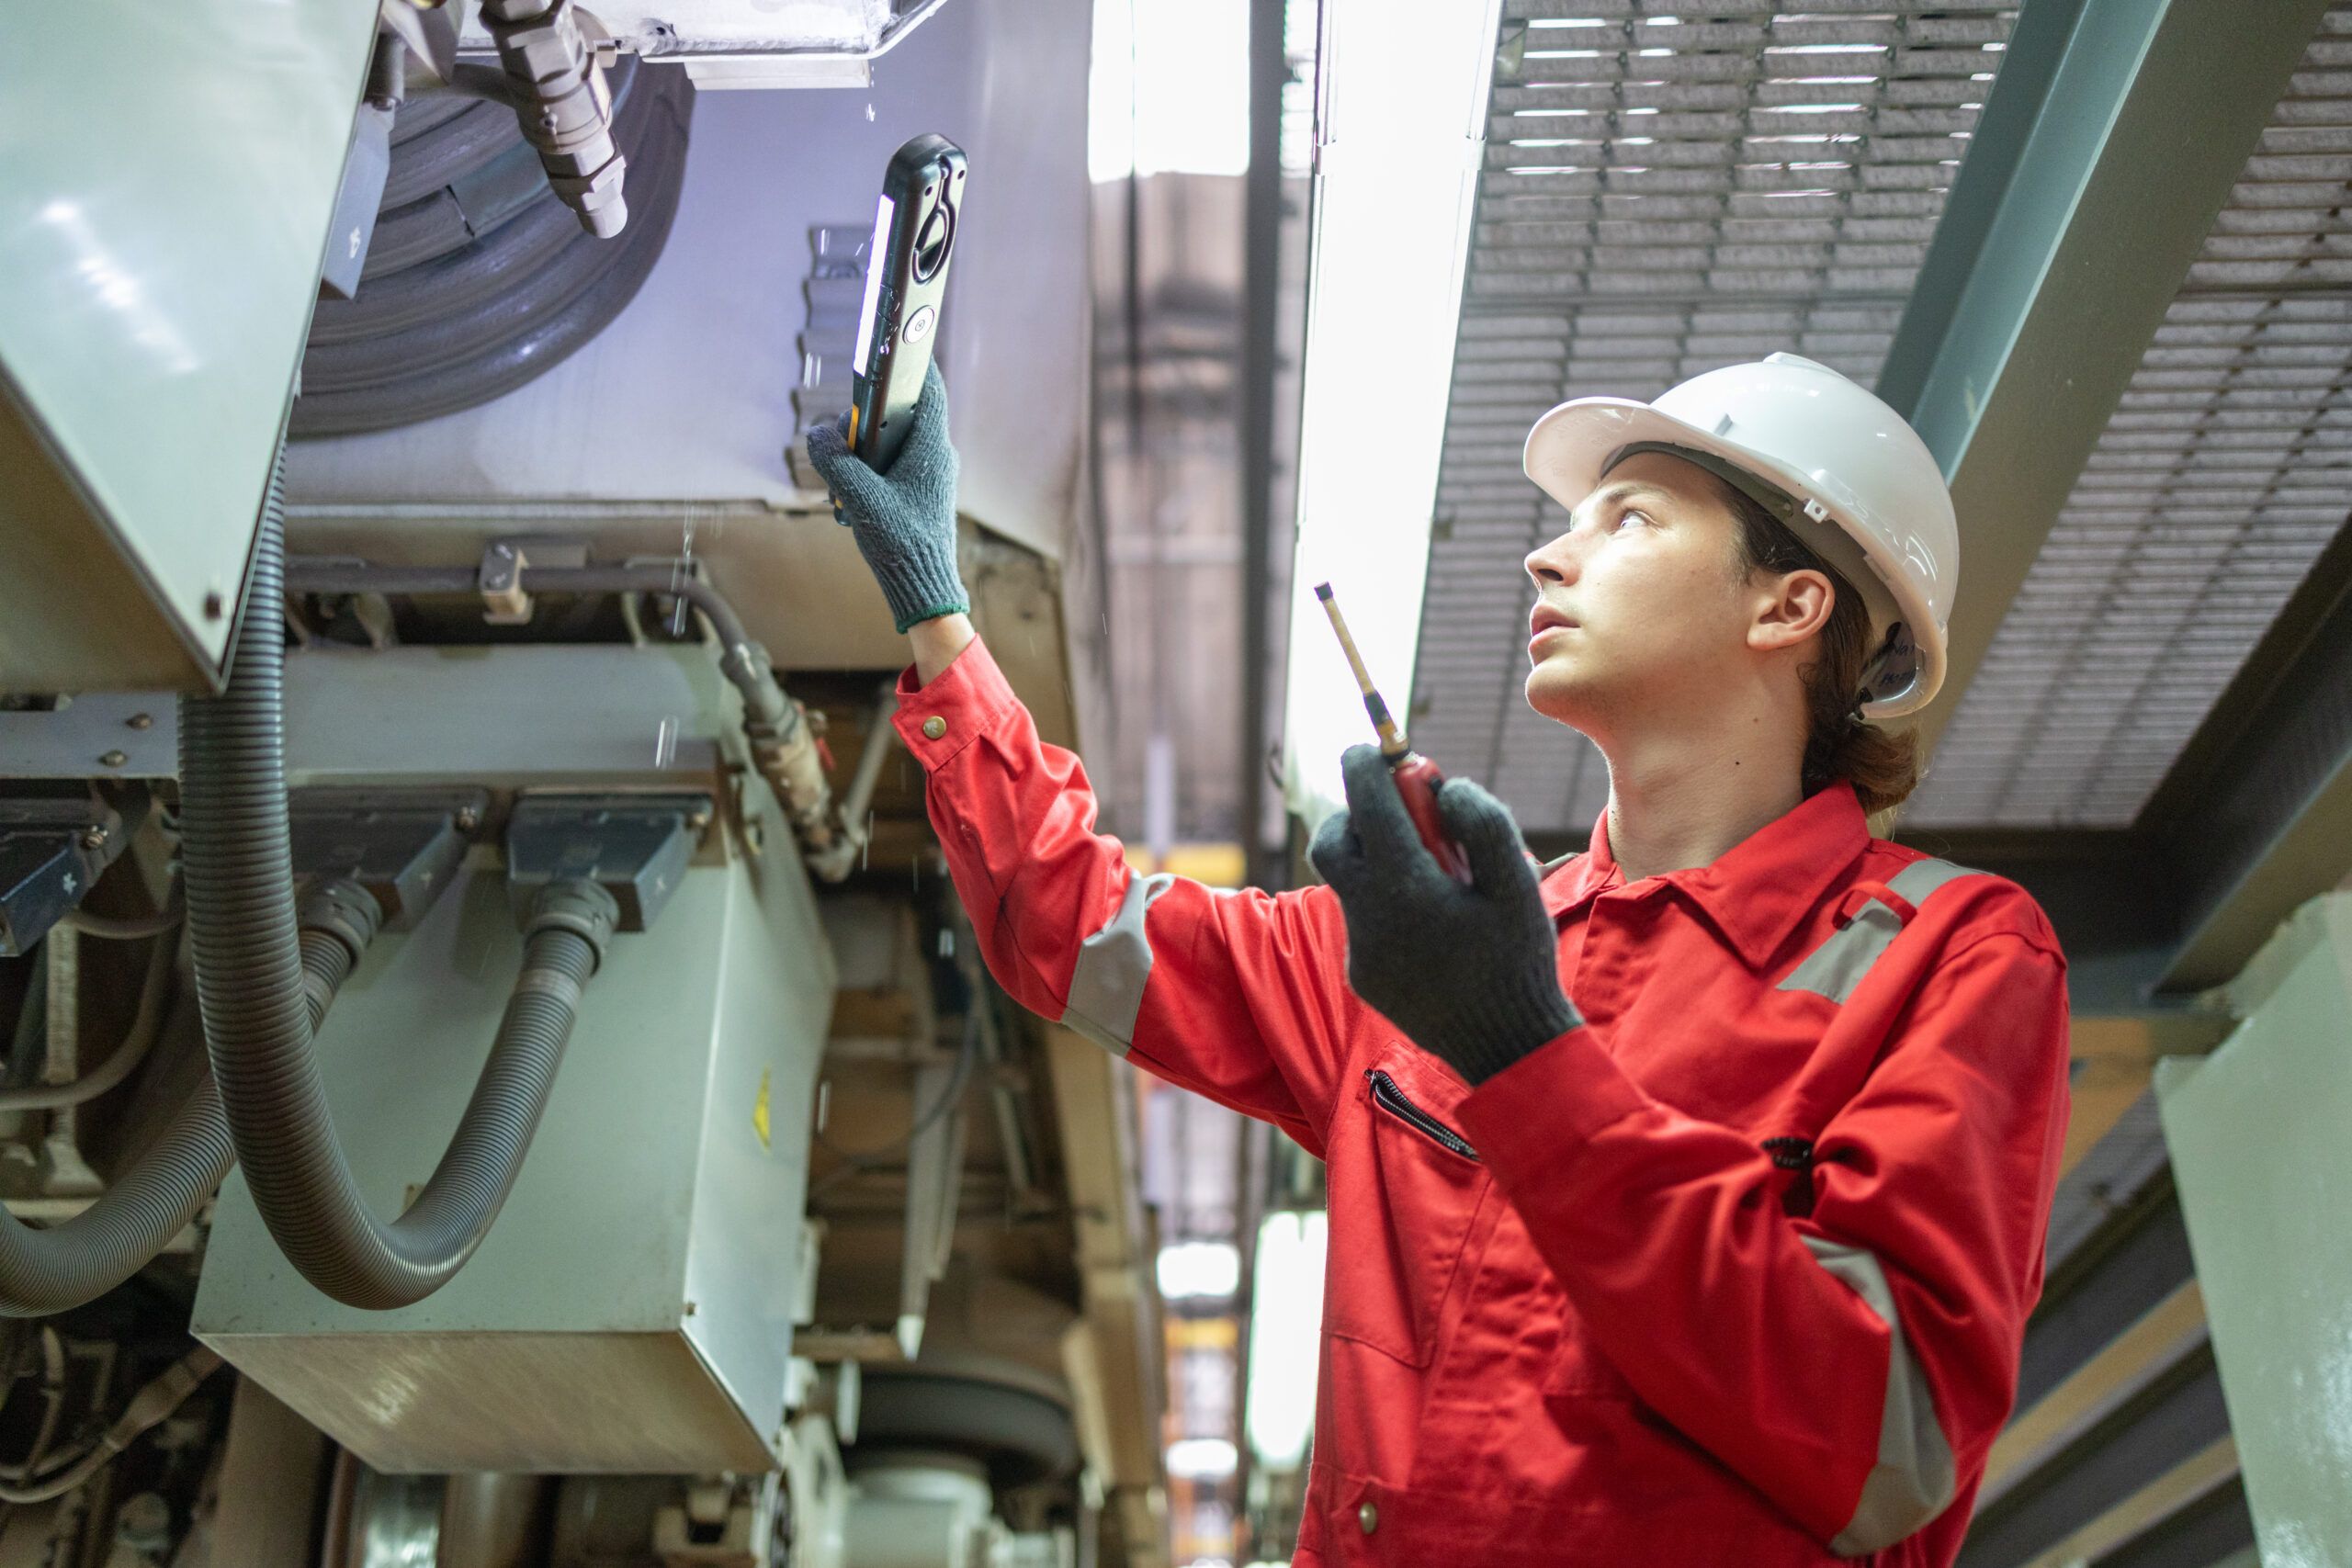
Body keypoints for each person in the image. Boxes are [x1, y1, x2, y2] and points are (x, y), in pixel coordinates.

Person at [808, 354, 2071, 1567]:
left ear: (1788, 604)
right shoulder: (1435, 940)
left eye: (1628, 520)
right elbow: (1074, 925)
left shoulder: (1949, 954)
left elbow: (1881, 1435)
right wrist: (938, 608)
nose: (1548, 550)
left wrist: (1521, 1048)